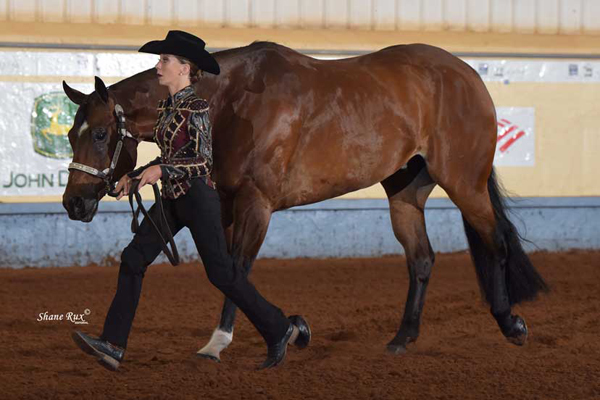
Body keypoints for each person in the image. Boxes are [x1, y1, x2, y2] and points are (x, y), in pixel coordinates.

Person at [71, 30, 310, 371]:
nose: (158, 66)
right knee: (133, 258)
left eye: (165, 60)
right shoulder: (167, 106)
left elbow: (202, 162)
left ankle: (281, 329)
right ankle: (112, 344)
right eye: (160, 59)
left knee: (223, 275)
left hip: (197, 198)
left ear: (184, 68)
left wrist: (160, 171)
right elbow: (172, 155)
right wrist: (135, 176)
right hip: (172, 197)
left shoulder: (197, 107)